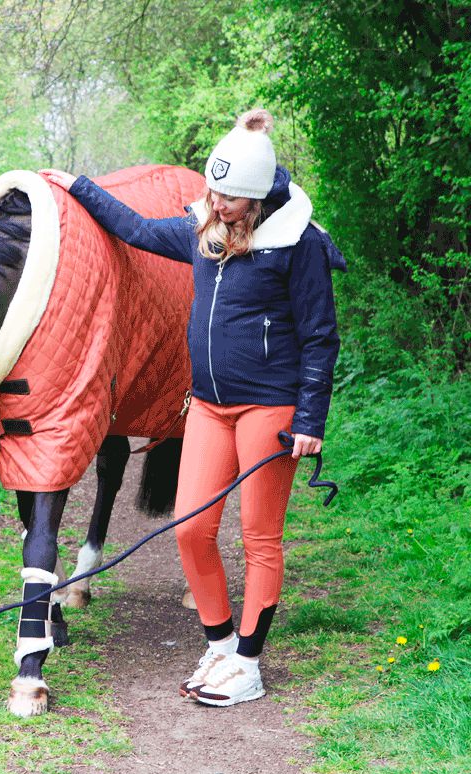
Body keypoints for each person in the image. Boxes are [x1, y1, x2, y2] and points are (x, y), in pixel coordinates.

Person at [41, 109, 345, 707]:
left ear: (256, 198)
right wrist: (76, 185)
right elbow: (134, 228)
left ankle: (249, 666)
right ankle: (221, 642)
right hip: (206, 407)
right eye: (214, 190)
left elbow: (319, 338)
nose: (217, 204)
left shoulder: (298, 245)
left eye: (231, 198)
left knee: (259, 538)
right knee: (191, 527)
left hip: (271, 408)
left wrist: (310, 419)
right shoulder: (203, 231)